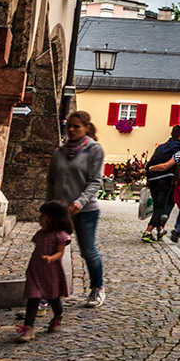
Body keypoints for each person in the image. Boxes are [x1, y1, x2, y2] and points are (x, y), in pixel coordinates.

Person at [49, 110, 106, 307]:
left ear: (86, 128)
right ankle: (46, 294)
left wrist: (80, 202)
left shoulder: (94, 150)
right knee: (50, 250)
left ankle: (97, 289)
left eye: (76, 126)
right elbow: (52, 181)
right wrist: (49, 207)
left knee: (87, 250)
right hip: (60, 211)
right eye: (69, 126)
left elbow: (95, 181)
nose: (71, 130)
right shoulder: (59, 152)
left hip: (85, 210)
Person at [18, 201, 72, 342]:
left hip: (51, 272)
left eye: (43, 216)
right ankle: (28, 328)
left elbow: (60, 253)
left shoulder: (60, 235)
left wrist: (50, 258)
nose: (39, 218)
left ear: (53, 218)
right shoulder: (40, 234)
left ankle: (58, 316)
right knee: (33, 298)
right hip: (36, 271)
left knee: (53, 297)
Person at [143, 124, 180, 242]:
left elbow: (151, 162)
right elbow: (169, 166)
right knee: (160, 207)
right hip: (166, 180)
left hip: (152, 180)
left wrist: (149, 172)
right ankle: (148, 231)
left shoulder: (160, 147)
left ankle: (160, 231)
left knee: (157, 206)